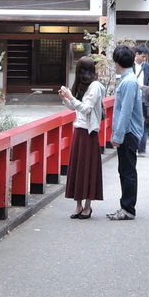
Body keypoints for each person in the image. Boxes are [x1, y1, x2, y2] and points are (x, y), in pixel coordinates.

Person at [58, 56, 105, 219]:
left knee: (88, 169)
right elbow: (75, 108)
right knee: (78, 169)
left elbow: (86, 108)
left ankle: (87, 206)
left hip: (89, 133)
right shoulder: (82, 85)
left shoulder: (95, 87)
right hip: (78, 130)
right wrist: (66, 99)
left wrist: (71, 98)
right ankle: (78, 205)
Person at [108, 43, 144, 220]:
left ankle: (128, 208)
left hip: (128, 133)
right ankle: (126, 206)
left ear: (118, 62)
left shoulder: (128, 82)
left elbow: (125, 112)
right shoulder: (129, 80)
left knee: (127, 171)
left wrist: (117, 135)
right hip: (129, 132)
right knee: (125, 170)